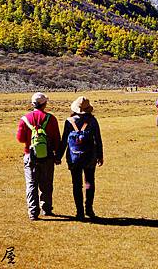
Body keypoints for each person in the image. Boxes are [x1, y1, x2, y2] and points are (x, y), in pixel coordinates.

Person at [57, 96, 103, 220]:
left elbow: (64, 140)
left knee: (76, 184)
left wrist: (58, 156)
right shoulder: (93, 121)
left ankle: (80, 212)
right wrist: (100, 156)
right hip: (90, 157)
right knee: (89, 183)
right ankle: (89, 209)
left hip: (73, 158)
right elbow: (98, 139)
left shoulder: (69, 121)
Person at [16, 92, 61, 221]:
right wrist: (57, 155)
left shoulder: (25, 119)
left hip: (30, 155)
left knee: (31, 184)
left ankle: (33, 212)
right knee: (46, 183)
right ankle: (46, 209)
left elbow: (20, 138)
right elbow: (57, 139)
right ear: (44, 104)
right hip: (47, 156)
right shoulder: (51, 119)